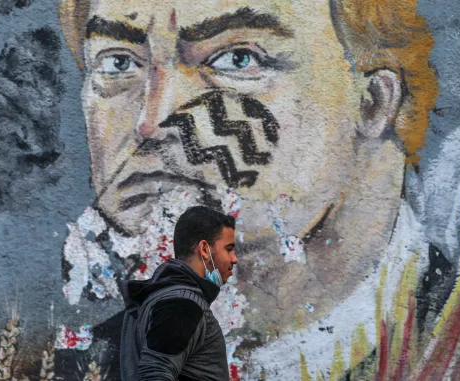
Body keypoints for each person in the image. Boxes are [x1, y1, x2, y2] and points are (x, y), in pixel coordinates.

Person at [57, 0, 439, 376]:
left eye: (239, 58)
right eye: (117, 63)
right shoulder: (73, 368)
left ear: (373, 101)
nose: (152, 121)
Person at [119, 205, 238, 380]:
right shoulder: (182, 305)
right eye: (228, 249)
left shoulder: (155, 297)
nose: (234, 259)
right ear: (205, 249)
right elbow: (155, 375)